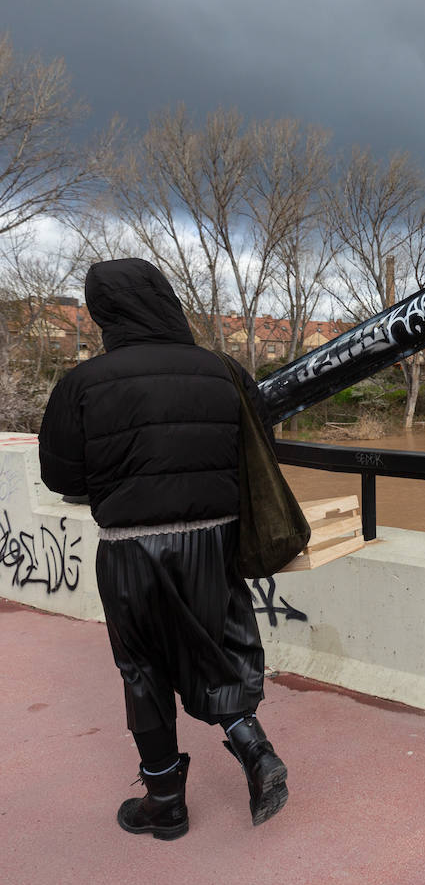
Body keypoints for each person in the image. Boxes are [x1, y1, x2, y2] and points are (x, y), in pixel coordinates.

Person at [38, 257, 288, 840]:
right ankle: (255, 750)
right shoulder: (224, 371)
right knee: (215, 651)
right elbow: (256, 451)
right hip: (216, 538)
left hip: (131, 549)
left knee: (143, 669)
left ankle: (165, 803)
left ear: (103, 312)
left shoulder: (83, 383)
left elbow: (61, 477)